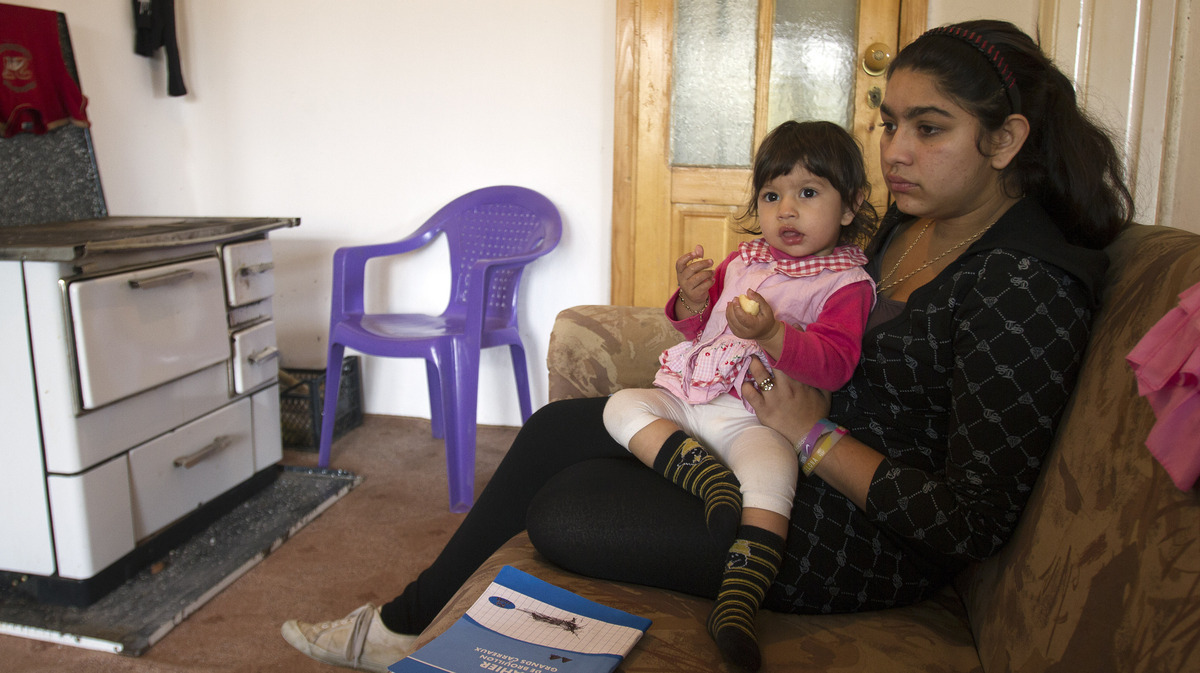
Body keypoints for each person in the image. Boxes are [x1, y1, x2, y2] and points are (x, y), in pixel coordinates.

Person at [282, 19, 1133, 673]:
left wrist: (813, 436)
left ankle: (402, 627)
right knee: (556, 431)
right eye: (889, 123)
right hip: (770, 443)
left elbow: (971, 520)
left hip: (855, 531)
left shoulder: (1027, 283)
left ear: (1006, 139)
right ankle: (405, 623)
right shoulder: (915, 224)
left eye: (930, 129)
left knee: (566, 508)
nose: (895, 152)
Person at [600, 119, 877, 665]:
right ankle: (709, 482)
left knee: (774, 476)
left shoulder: (845, 285)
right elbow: (698, 328)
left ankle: (738, 600)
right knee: (621, 406)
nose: (786, 211)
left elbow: (835, 366)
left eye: (808, 193)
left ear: (851, 206)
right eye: (772, 196)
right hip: (688, 398)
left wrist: (773, 334)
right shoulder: (745, 261)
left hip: (755, 420)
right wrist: (690, 298)